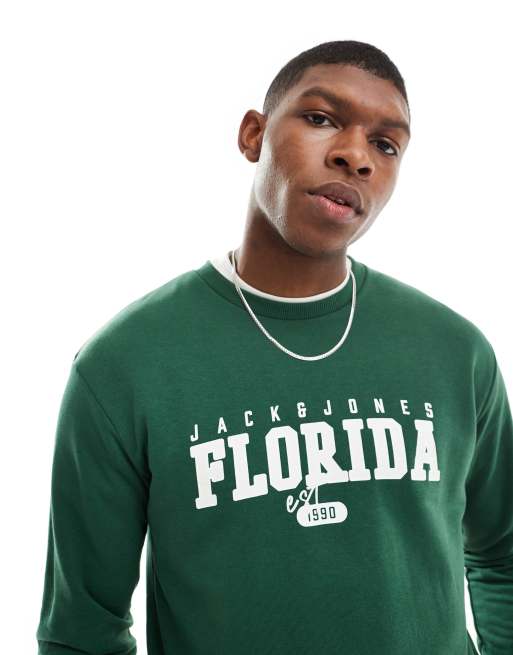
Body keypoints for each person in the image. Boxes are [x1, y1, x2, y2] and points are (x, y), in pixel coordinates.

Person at [36, 40, 512, 655]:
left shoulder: (456, 353)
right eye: (321, 118)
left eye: (386, 145)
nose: (355, 156)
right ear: (253, 135)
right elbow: (81, 629)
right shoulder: (124, 365)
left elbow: (502, 554)